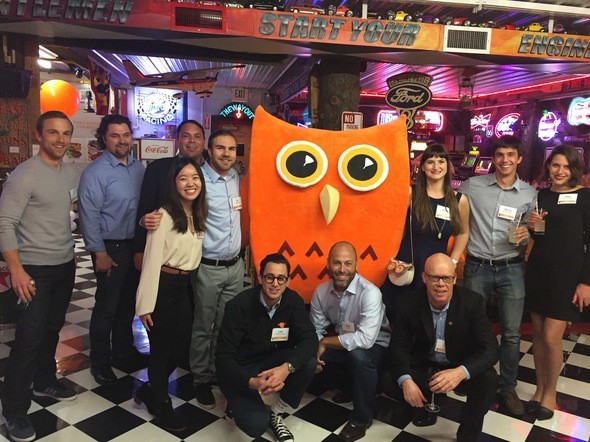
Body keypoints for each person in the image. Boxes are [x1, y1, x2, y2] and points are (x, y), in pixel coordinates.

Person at [0, 111, 78, 442]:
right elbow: (4, 224)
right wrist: (16, 270)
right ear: (38, 135)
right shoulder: (24, 175)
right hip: (33, 270)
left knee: (51, 329)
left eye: (65, 133)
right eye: (53, 132)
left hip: (64, 265)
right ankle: (14, 411)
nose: (60, 139)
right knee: (28, 339)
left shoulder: (69, 171)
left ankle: (44, 381)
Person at [458, 135, 536, 416]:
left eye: (511, 155)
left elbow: (533, 228)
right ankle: (471, 376)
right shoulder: (472, 186)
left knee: (512, 333)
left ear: (519, 158)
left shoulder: (529, 194)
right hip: (477, 265)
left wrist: (527, 233)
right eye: (500, 154)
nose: (505, 160)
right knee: (470, 326)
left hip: (511, 267)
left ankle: (507, 387)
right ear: (493, 158)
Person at [390, 254, 499, 442]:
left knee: (488, 379)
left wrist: (460, 373)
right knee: (390, 378)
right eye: (434, 277)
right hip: (425, 363)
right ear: (424, 277)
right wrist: (406, 381)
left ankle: (467, 433)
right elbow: (398, 346)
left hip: (458, 363)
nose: (441, 284)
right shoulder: (408, 303)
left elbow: (491, 349)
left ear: (454, 279)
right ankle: (423, 406)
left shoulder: (472, 302)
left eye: (446, 278)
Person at [134, 157, 207, 431]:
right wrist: (144, 305)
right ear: (174, 184)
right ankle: (162, 405)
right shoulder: (163, 216)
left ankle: (150, 390)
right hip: (163, 286)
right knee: (161, 352)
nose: (190, 183)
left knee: (180, 350)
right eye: (183, 178)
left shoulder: (197, 213)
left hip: (184, 286)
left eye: (195, 177)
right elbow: (151, 261)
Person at [216, 253, 317, 442]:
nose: (275, 284)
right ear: (260, 278)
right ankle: (235, 405)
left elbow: (310, 339)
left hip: (270, 361)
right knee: (256, 425)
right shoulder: (238, 306)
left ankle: (275, 412)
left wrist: (286, 368)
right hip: (241, 369)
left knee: (308, 362)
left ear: (288, 281)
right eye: (270, 277)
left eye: (281, 278)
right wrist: (251, 382)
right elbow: (223, 358)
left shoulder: (292, 301)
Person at [78, 114, 145, 385]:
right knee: (106, 308)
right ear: (104, 138)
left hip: (134, 246)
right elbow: (88, 216)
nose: (122, 140)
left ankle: (123, 353)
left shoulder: (138, 168)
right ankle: (100, 363)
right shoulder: (95, 172)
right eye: (115, 135)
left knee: (128, 305)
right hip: (110, 248)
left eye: (126, 135)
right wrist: (99, 253)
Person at [524, 145, 590, 420]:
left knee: (552, 338)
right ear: (548, 167)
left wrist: (586, 282)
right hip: (539, 271)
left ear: (575, 169)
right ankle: (539, 389)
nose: (560, 171)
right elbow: (541, 236)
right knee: (538, 335)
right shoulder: (542, 195)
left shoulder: (585, 197)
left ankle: (550, 393)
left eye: (566, 166)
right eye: (555, 165)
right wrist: (533, 226)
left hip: (568, 277)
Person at [310, 241, 390, 442]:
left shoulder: (370, 292)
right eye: (336, 263)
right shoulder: (321, 291)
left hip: (376, 347)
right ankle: (350, 388)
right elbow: (315, 330)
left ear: (356, 265)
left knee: (358, 356)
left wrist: (325, 342)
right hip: (344, 343)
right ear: (328, 264)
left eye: (348, 263)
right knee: (308, 356)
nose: (342, 269)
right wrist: (317, 350)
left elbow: (365, 339)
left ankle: (362, 419)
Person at [381, 143, 469, 321]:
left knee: (430, 316)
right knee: (400, 314)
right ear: (422, 167)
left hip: (437, 268)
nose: (436, 167)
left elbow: (463, 232)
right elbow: (392, 226)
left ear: (448, 166)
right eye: (430, 162)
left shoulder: (459, 200)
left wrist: (452, 261)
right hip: (409, 264)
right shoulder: (411, 194)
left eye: (441, 161)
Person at [190, 129, 244, 409]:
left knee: (226, 325)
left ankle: (217, 372)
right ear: (209, 151)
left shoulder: (236, 177)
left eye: (231, 149)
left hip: (235, 267)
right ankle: (200, 378)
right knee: (203, 325)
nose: (226, 154)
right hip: (208, 266)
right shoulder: (197, 179)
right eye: (220, 148)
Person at [133, 119, 206, 270]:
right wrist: (139, 249)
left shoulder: (210, 170)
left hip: (203, 254)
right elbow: (144, 208)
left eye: (197, 136)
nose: (192, 140)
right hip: (169, 256)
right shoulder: (158, 169)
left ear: (203, 141)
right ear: (177, 140)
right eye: (186, 136)